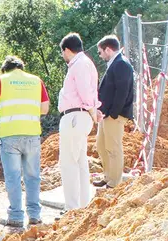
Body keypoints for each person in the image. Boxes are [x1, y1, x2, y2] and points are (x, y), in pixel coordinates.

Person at [0, 55, 50, 228]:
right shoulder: (36, 81)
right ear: (21, 67)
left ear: (5, 68)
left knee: (13, 177)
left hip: (10, 135)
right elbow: (44, 108)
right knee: (33, 176)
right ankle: (34, 215)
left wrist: (2, 105)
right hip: (32, 134)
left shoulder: (1, 81)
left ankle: (16, 216)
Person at [57, 33, 99, 212]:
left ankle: (72, 209)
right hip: (80, 117)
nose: (63, 57)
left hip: (75, 116)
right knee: (79, 162)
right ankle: (81, 206)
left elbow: (85, 92)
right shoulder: (85, 63)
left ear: (66, 50)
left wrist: (92, 110)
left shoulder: (79, 64)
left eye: (62, 53)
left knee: (69, 163)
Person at [94, 35, 135, 189]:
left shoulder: (121, 64)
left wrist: (113, 113)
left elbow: (122, 92)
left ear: (108, 49)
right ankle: (108, 176)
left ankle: (114, 183)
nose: (100, 55)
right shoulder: (115, 64)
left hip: (114, 115)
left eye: (100, 52)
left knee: (113, 148)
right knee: (102, 145)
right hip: (107, 114)